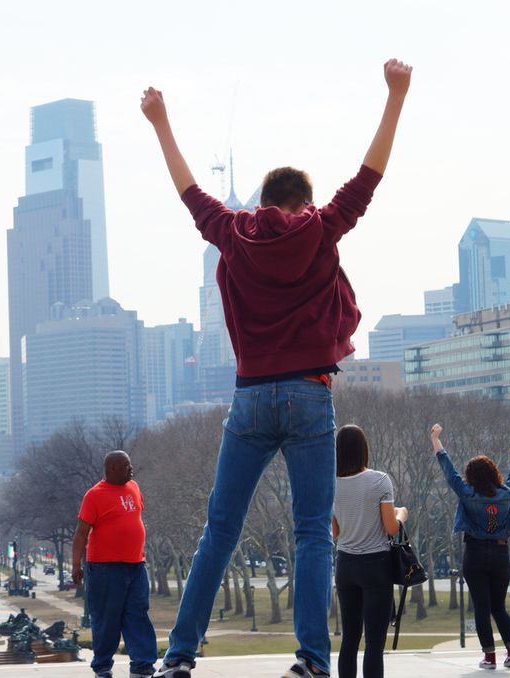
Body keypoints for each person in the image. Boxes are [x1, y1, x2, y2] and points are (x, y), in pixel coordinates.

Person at [140, 58, 412, 678]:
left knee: (219, 531)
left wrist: (161, 122)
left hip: (250, 397)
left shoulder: (233, 233)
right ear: (306, 203)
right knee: (313, 534)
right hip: (311, 397)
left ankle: (179, 656)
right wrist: (396, 95)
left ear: (262, 202)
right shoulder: (322, 230)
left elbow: (188, 192)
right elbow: (370, 176)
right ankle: (311, 660)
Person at [431, 421, 510, 670]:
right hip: (499, 554)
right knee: (499, 607)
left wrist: (436, 440)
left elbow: (449, 472)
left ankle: (489, 657)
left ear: (472, 477)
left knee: (482, 608)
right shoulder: (506, 493)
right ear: (494, 472)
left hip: (474, 554)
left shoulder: (467, 494)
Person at [72, 451, 157, 678]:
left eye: (130, 464)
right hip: (105, 568)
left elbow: (133, 520)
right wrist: (75, 565)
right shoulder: (94, 496)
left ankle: (142, 666)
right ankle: (102, 667)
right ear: (112, 469)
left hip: (136, 565)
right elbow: (81, 533)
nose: (131, 469)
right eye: (126, 466)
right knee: (107, 619)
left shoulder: (134, 487)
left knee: (138, 614)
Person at [331, 426, 407, 678]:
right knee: (374, 643)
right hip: (376, 564)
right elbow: (390, 528)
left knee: (349, 640)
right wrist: (401, 514)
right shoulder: (379, 480)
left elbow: (335, 532)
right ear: (364, 449)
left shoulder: (330, 484)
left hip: (345, 565)